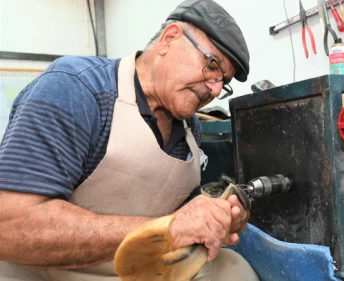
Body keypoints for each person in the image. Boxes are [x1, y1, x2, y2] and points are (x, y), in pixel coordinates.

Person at [0, 0, 259, 280]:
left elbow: (177, 210)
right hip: (51, 272)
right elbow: (9, 226)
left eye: (224, 81)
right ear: (169, 38)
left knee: (234, 270)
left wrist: (215, 216)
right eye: (211, 65)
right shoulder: (76, 89)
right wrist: (169, 228)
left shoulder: (190, 128)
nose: (215, 88)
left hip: (138, 268)